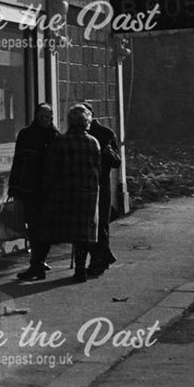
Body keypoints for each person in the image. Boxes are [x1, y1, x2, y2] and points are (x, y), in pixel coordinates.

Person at [43, 104, 102, 283]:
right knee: (83, 233)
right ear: (86, 122)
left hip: (67, 190)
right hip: (88, 191)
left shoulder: (61, 141)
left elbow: (52, 167)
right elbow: (98, 168)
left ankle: (43, 262)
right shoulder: (93, 142)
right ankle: (81, 267)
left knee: (71, 229)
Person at [10, 103, 59, 281]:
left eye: (49, 117)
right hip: (30, 189)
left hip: (47, 190)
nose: (46, 120)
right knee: (34, 227)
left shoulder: (54, 135)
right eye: (43, 117)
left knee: (44, 228)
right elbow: (18, 161)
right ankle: (37, 263)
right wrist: (14, 187)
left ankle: (37, 263)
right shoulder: (26, 135)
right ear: (36, 116)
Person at [82, 101, 122, 276]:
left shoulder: (105, 133)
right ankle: (101, 257)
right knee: (93, 225)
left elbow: (117, 161)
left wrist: (107, 152)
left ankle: (99, 259)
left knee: (100, 224)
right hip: (88, 185)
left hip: (100, 184)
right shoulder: (79, 134)